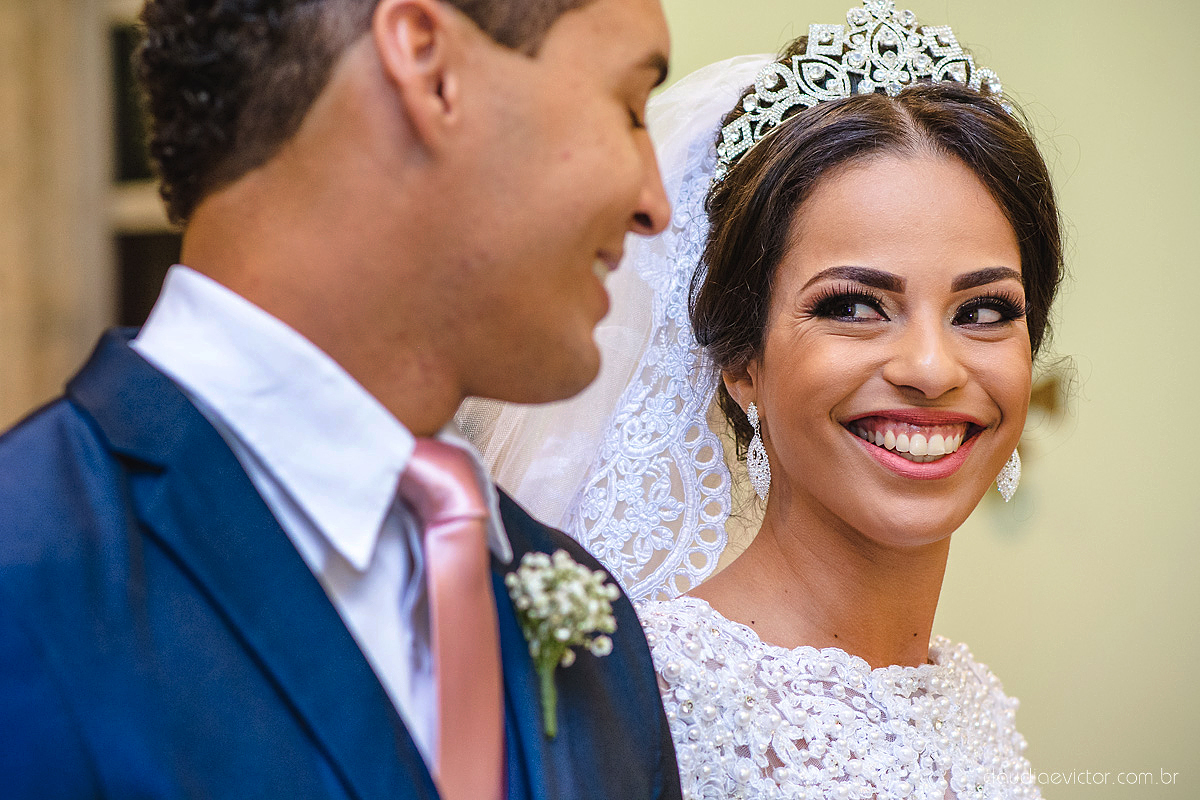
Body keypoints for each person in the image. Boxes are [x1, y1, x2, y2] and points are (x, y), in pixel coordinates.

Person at [0, 0, 684, 798]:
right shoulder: (28, 567)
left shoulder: (592, 628)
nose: (654, 205)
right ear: (430, 66)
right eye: (628, 107)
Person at [461, 2, 1062, 797]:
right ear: (742, 361)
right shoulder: (648, 700)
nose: (930, 366)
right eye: (852, 306)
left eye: (984, 311)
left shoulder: (973, 701)